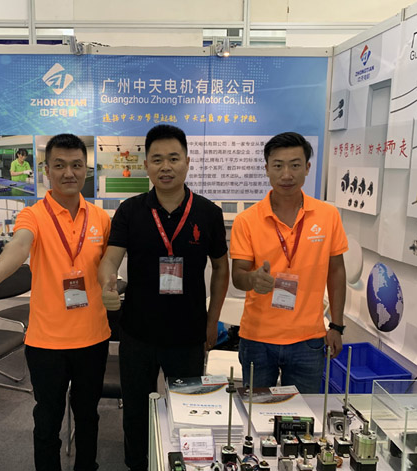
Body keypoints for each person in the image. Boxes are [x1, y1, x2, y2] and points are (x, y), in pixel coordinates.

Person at [0, 134, 111, 471]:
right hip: (47, 341)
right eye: (59, 165)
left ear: (86, 170)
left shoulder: (101, 218)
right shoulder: (33, 215)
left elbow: (108, 264)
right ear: (46, 170)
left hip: (93, 337)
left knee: (88, 416)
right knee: (47, 421)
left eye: (76, 165)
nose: (68, 173)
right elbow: (19, 245)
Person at [98, 124, 229, 471]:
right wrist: (106, 284)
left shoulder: (208, 213)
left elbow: (221, 267)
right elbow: (110, 259)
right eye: (157, 159)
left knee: (188, 409)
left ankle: (182, 464)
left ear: (187, 161)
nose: (165, 167)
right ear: (146, 165)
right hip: (137, 332)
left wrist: (212, 320)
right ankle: (136, 464)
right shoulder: (130, 210)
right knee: (135, 410)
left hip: (188, 333)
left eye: (173, 158)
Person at [230, 131, 348, 394]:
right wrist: (253, 279)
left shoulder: (328, 215)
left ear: (307, 168)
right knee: (257, 411)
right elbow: (238, 276)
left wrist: (337, 325)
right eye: (278, 166)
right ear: (266, 169)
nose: (286, 174)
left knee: (303, 414)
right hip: (258, 339)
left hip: (309, 339)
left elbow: (337, 271)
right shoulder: (246, 220)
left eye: (295, 165)